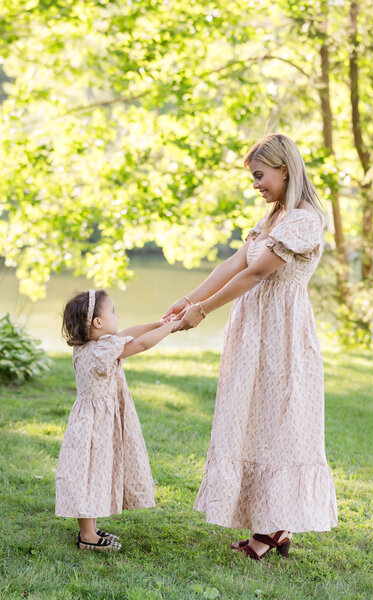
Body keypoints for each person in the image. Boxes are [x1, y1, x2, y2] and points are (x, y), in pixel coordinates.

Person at [163, 133, 338, 560]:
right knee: (254, 421)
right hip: (255, 331)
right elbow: (234, 263)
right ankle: (273, 525)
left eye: (260, 176)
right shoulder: (274, 217)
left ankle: (273, 527)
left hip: (282, 334)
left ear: (284, 169)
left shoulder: (303, 219)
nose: (255, 184)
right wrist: (187, 299)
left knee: (280, 426)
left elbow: (258, 272)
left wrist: (202, 311)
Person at [56, 289, 175, 551]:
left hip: (95, 421)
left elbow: (130, 333)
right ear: (97, 323)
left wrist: (160, 323)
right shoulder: (101, 352)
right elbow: (140, 344)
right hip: (95, 425)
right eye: (113, 311)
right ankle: (87, 536)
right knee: (88, 475)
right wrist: (173, 327)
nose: (117, 315)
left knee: (94, 472)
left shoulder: (93, 346)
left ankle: (91, 527)